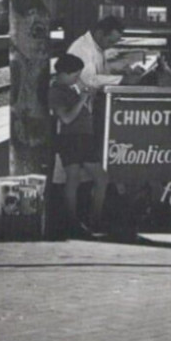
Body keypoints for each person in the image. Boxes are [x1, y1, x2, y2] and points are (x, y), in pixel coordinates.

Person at [50, 53, 107, 237]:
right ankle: (92, 220)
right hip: (73, 139)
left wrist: (85, 97)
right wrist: (82, 99)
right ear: (64, 74)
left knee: (74, 180)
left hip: (80, 138)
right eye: (75, 75)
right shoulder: (56, 91)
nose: (77, 79)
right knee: (99, 179)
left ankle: (76, 221)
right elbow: (66, 118)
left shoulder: (68, 87)